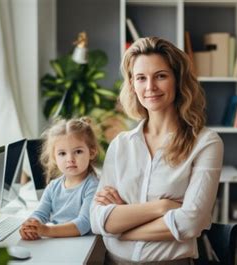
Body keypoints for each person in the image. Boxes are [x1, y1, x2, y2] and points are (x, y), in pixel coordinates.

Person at [90, 37, 224, 264]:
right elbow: (97, 220)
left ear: (178, 80)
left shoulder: (206, 143)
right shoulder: (121, 144)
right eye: (141, 78)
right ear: (132, 84)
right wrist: (162, 207)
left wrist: (123, 228)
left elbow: (190, 222)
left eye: (160, 76)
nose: (150, 87)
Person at [19, 117, 99, 240]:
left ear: (92, 153)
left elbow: (84, 224)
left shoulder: (93, 186)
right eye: (62, 153)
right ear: (54, 158)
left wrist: (46, 230)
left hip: (83, 246)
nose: (70, 159)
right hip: (59, 242)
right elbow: (40, 213)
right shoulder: (53, 186)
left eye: (78, 151)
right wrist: (31, 225)